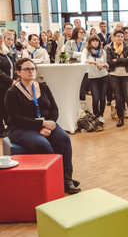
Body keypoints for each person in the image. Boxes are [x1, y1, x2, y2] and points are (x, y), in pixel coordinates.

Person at [6, 58, 81, 194]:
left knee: (64, 139)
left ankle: (67, 179)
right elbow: (16, 119)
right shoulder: (12, 93)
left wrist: (47, 126)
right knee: (42, 144)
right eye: (27, 69)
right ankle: (56, 178)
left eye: (33, 68)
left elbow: (54, 109)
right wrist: (41, 124)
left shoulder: (43, 87)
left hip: (47, 124)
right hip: (21, 128)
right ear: (18, 72)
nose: (31, 71)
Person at [106, 29, 128, 127]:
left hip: (126, 75)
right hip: (114, 76)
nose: (120, 38)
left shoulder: (127, 47)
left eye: (122, 37)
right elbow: (110, 62)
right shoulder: (109, 48)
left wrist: (118, 60)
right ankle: (120, 118)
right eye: (118, 36)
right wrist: (124, 60)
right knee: (118, 99)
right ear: (114, 37)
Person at [82, 35, 108, 123]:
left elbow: (106, 63)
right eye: (93, 41)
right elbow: (83, 60)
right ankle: (96, 114)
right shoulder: (87, 51)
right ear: (90, 42)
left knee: (103, 98)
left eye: (96, 41)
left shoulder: (102, 51)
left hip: (104, 76)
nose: (95, 43)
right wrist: (95, 62)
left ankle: (101, 115)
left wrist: (103, 65)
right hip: (93, 78)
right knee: (95, 98)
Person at [0, 33, 15, 137]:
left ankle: (8, 127)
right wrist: (10, 80)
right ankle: (1, 130)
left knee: (6, 107)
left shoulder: (5, 52)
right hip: (2, 84)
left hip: (8, 85)